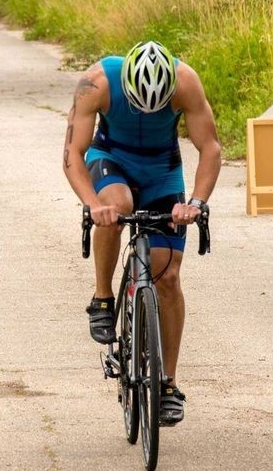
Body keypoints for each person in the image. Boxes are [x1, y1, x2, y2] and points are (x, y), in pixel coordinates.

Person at [63, 40, 222, 426]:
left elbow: (211, 148)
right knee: (117, 208)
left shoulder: (186, 81)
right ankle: (103, 297)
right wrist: (91, 204)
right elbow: (72, 154)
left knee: (167, 275)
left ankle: (167, 383)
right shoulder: (97, 81)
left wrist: (196, 204)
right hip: (111, 158)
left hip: (161, 168)